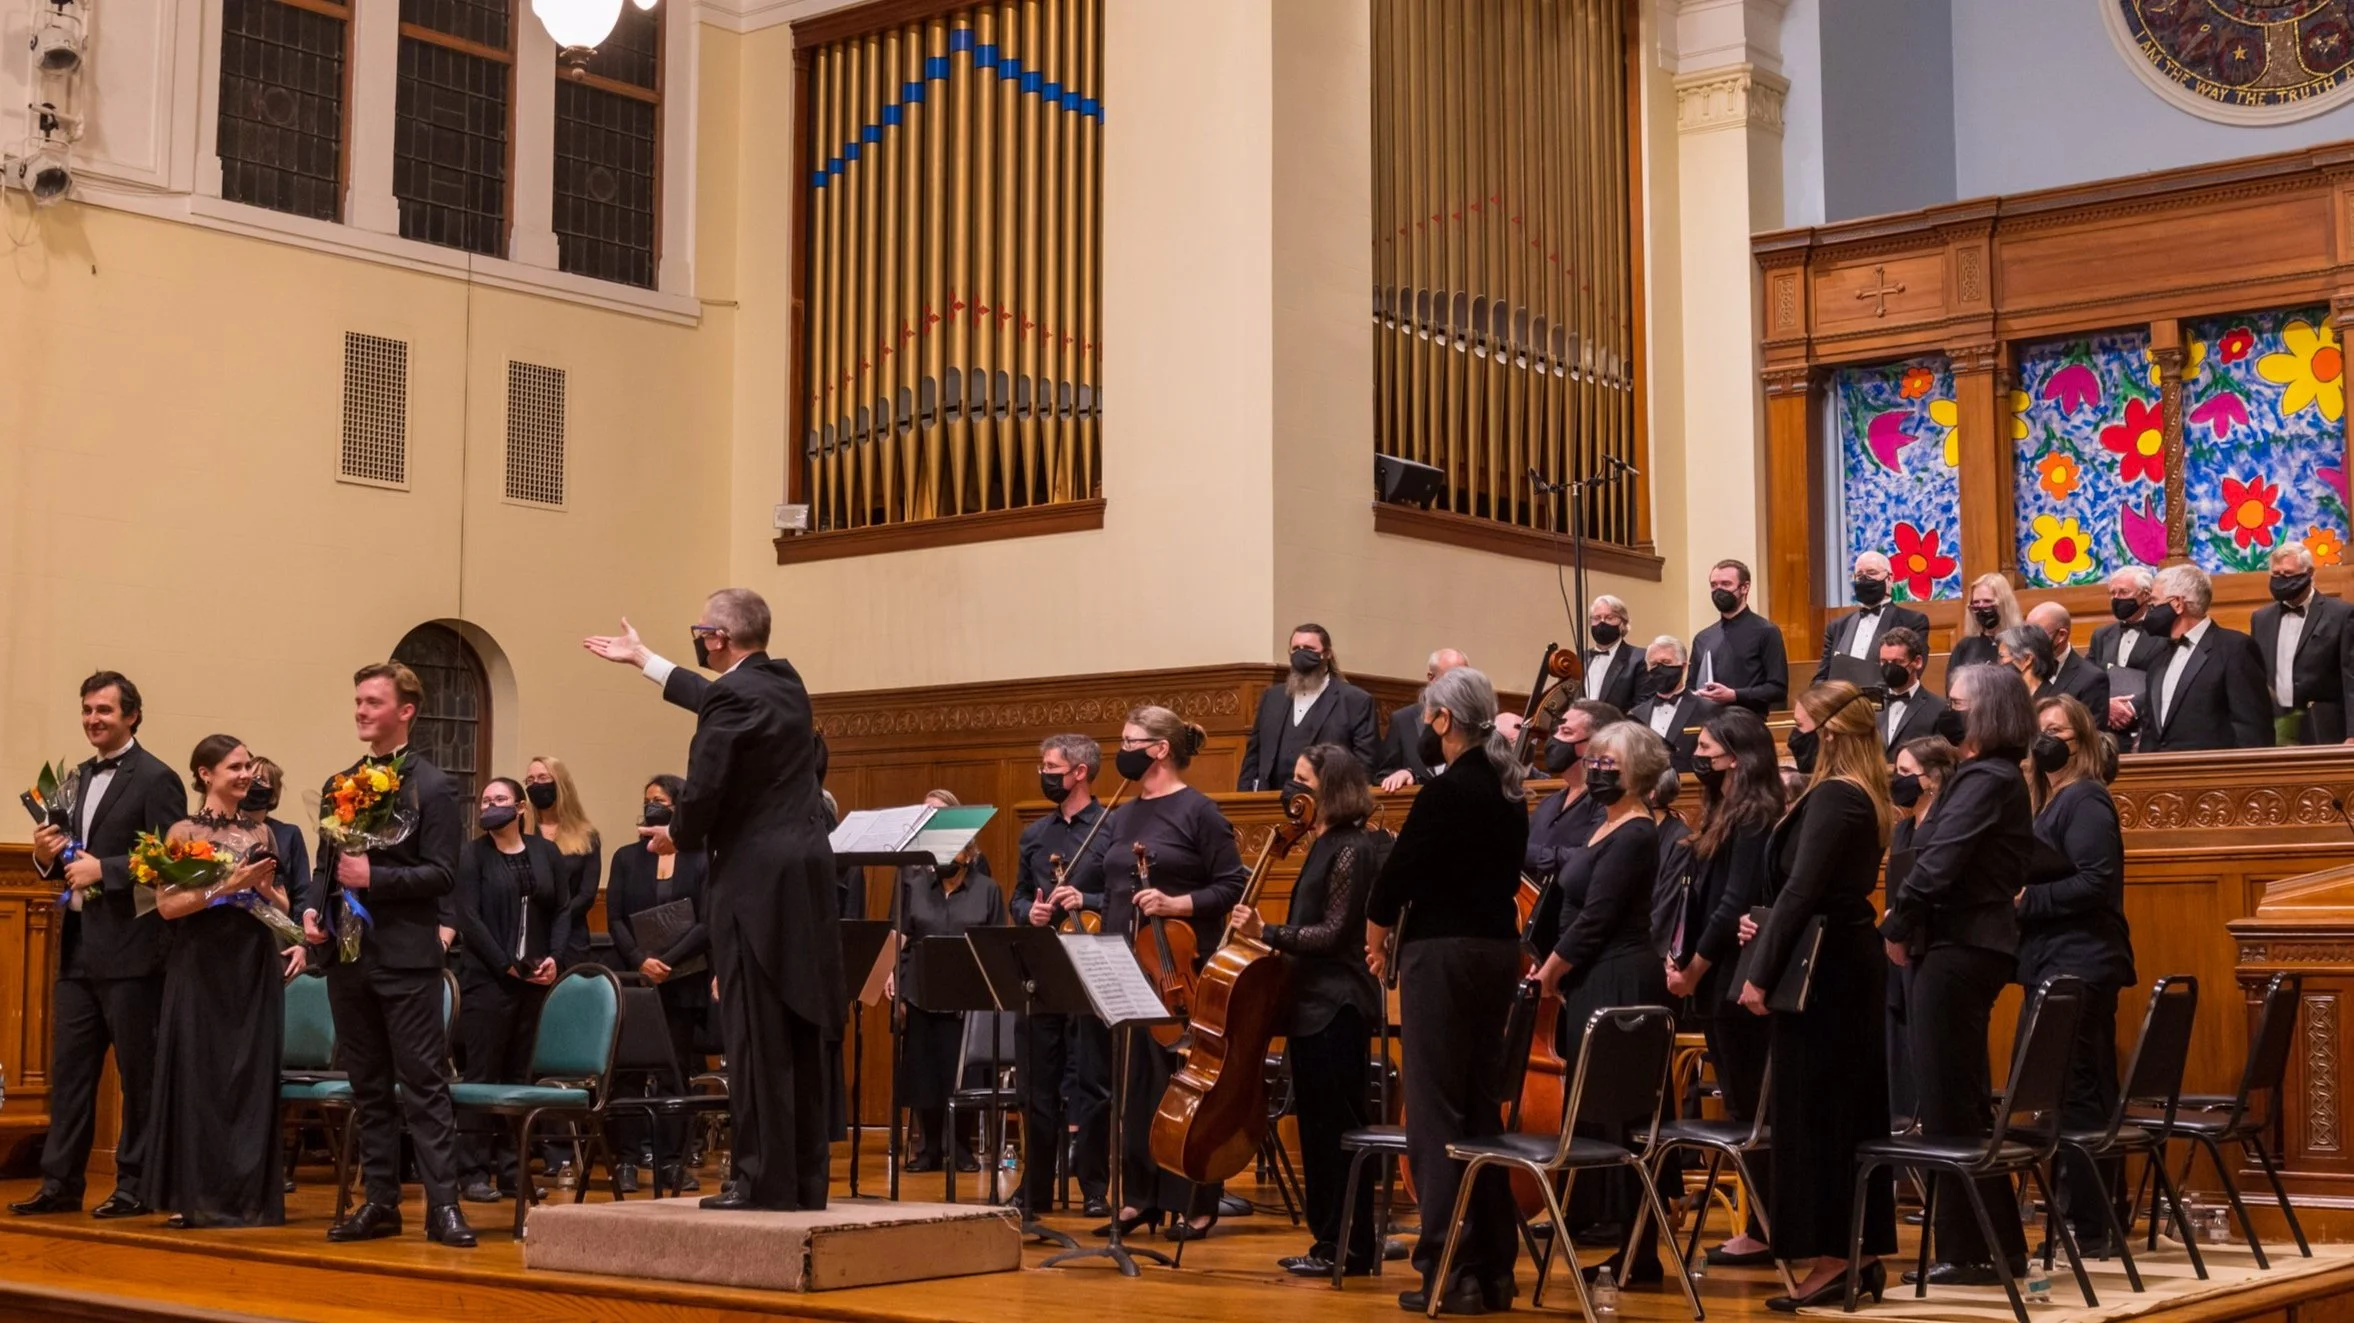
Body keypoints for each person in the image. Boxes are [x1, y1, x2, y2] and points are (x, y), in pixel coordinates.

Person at [582, 593, 844, 1212]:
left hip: (754, 882)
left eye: (701, 631)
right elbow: (720, 698)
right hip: (803, 881)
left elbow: (702, 793)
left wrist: (681, 832)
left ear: (718, 638)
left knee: (752, 1034)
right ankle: (804, 1182)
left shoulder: (736, 698)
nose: (698, 639)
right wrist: (646, 660)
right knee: (798, 1029)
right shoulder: (785, 684)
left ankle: (759, 1182)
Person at [1364, 666, 1527, 1316]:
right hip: (1497, 953)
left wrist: (1376, 937)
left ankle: (1446, 1267)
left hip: (1443, 955)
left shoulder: (1445, 791)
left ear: (1443, 720)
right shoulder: (1509, 789)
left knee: (1433, 1114)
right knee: (1480, 1109)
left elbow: (1397, 877)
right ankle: (1493, 1267)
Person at [1738, 682, 1898, 1310]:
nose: (1792, 734)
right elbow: (1805, 894)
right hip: (1840, 957)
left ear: (1830, 732)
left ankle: (1837, 1256)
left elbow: (1803, 892)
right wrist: (1766, 921)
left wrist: (1758, 970)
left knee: (1823, 1112)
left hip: (1825, 972)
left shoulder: (1835, 796)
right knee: (1842, 1108)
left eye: (1799, 723)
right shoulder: (1859, 794)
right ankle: (1857, 1250)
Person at [1878, 664, 2036, 1285]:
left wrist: (1896, 926)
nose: (1950, 713)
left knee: (1948, 1102)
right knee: (1957, 1099)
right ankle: (1994, 1247)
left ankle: (1971, 1251)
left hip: (1960, 945)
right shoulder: (1986, 778)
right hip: (1962, 944)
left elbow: (1940, 863)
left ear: (1988, 714)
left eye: (1959, 704)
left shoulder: (1985, 779)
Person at [13, 673, 184, 1221]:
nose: (93, 719)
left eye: (104, 711)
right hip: (78, 948)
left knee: (138, 1076)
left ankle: (135, 1184)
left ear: (131, 716)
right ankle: (60, 1183)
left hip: (135, 952)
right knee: (71, 1074)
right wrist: (46, 855)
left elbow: (169, 864)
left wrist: (105, 869)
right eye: (87, 710)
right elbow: (64, 862)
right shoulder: (76, 777)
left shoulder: (157, 778)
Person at [315, 662, 474, 1247]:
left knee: (424, 1084)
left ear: (405, 711)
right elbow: (323, 868)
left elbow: (443, 874)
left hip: (405, 956)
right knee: (368, 1086)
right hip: (349, 958)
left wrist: (373, 876)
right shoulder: (339, 784)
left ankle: (444, 1206)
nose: (360, 710)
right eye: (357, 700)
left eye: (373, 702)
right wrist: (313, 911)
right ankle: (379, 1202)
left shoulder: (433, 785)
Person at [1230, 744, 1385, 1279]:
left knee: (1337, 1131)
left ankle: (1351, 1247)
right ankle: (1329, 1242)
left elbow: (1334, 933)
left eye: (1302, 781)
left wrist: (1265, 932)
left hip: (1337, 1007)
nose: (1292, 791)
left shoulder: (1351, 849)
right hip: (1311, 1007)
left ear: (1330, 788)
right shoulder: (1321, 844)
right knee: (1319, 1132)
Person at [1097, 705, 1249, 1239]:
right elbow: (1116, 884)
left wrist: (1176, 903)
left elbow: (1233, 886)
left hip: (1177, 967)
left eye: (1129, 740)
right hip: (1126, 962)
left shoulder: (1199, 812)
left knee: (1180, 1082)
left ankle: (1195, 1199)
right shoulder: (1123, 813)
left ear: (1159, 749)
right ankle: (1140, 1197)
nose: (1122, 749)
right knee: (1134, 1083)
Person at [1531, 721, 1674, 1284]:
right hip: (1593, 980)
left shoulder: (1637, 832)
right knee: (1603, 1118)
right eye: (1593, 761)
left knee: (1626, 1121)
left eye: (1609, 763)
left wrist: (1548, 972)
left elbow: (1597, 919)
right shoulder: (1603, 824)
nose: (1596, 770)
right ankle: (1627, 1248)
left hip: (1620, 981)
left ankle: (1641, 1253)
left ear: (1637, 771)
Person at [143, 736, 303, 1228]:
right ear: (205, 774)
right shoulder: (181, 831)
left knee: (248, 1079)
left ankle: (247, 1196)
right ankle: (198, 1195)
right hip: (200, 964)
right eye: (235, 767)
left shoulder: (263, 834)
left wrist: (264, 893)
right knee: (202, 1076)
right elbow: (168, 907)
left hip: (252, 964)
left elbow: (282, 908)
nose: (246, 775)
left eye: (249, 767)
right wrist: (222, 889)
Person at [1664, 708, 1784, 1267]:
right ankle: (1763, 1223)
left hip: (1736, 977)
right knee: (1741, 1102)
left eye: (1708, 750)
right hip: (1721, 977)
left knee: (1751, 1107)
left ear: (1736, 756)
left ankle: (1766, 1227)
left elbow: (1734, 903)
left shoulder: (1755, 815)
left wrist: (1695, 968)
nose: (1700, 759)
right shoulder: (1725, 809)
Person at [2023, 694, 2134, 1251]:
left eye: (2058, 731)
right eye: (2039, 730)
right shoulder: (2050, 800)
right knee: (2072, 1091)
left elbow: (2094, 882)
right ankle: (2092, 1215)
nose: (2046, 740)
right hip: (2058, 961)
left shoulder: (2086, 798)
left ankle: (2094, 1225)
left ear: (2082, 740)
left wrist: (2025, 900)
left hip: (2081, 964)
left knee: (2082, 1092)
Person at [1012, 735, 1113, 1220]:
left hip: (1092, 965)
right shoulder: (1034, 835)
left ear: (1080, 773)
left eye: (1051, 766)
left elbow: (1126, 896)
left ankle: (1094, 1186)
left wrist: (1086, 901)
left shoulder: (1109, 830)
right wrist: (1027, 912)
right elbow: (1015, 897)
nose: (1044, 772)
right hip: (1044, 968)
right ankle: (1035, 1189)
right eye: (1042, 764)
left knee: (1093, 1081)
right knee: (1038, 1084)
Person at [449, 777, 561, 1205]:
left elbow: (562, 908)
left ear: (520, 808)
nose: (490, 806)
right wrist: (506, 965)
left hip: (535, 979)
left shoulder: (545, 852)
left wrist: (553, 957)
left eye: (499, 799)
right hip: (488, 980)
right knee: (483, 1075)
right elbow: (469, 919)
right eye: (485, 800)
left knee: (518, 1076)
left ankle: (514, 1171)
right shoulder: (471, 856)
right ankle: (473, 1171)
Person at [605, 774, 712, 1195]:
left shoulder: (700, 858)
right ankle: (627, 1161)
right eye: (648, 800)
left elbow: (708, 920)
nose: (652, 806)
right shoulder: (626, 857)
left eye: (662, 801)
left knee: (674, 1072)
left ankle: (671, 1162)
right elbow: (614, 918)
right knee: (629, 1072)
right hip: (637, 980)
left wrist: (666, 960)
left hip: (682, 979)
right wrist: (640, 961)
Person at [891, 790, 1006, 1174]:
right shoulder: (914, 886)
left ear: (967, 854)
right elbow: (901, 935)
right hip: (921, 989)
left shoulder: (987, 890)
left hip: (967, 997)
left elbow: (995, 944)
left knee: (963, 1072)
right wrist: (894, 977)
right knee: (924, 1071)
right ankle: (928, 1149)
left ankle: (961, 1148)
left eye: (950, 852)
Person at [1883, 735, 1957, 1128]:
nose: (1898, 780)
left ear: (1931, 779)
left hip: (1931, 944)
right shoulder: (1902, 828)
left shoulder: (1946, 825)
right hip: (1901, 948)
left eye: (1906, 773)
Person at [2128, 563, 2271, 751]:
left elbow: (2252, 729)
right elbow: (2150, 730)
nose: (2149, 611)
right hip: (2161, 774)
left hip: (2214, 774)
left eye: (2153, 603)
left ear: (2177, 604)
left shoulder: (2235, 648)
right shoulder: (2159, 657)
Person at [1238, 623, 1379, 790]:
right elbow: (1253, 755)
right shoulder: (1272, 697)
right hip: (1271, 800)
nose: (1301, 653)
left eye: (1309, 648)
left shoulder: (1355, 700)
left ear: (1326, 653)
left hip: (1326, 802)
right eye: (1296, 648)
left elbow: (1366, 764)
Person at [2252, 542, 2354, 745]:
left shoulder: (2340, 615)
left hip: (2324, 727)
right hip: (2276, 728)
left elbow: (2351, 678)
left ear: (2309, 573)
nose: (2281, 580)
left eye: (2288, 574)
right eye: (2276, 574)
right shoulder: (2261, 618)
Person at [526, 756, 603, 970]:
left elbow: (587, 895)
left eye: (543, 777)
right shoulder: (522, 832)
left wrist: (558, 918)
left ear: (560, 783)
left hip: (571, 936)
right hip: (529, 935)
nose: (536, 785)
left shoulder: (587, 835)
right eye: (530, 780)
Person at [244, 756, 319, 965]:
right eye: (249, 780)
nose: (253, 785)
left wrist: (301, 941)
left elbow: (302, 890)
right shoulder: (222, 830)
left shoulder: (287, 834)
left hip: (278, 931)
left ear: (273, 792)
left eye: (261, 781)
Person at [1814, 551, 1931, 684]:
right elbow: (1822, 676)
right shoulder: (1836, 627)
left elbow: (1911, 673)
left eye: (1872, 573)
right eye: (1859, 575)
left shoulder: (1913, 621)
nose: (1865, 579)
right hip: (1842, 700)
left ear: (1889, 579)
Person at [1693, 558, 1789, 718]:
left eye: (1726, 584)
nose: (1718, 590)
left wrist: (1734, 695)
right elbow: (1692, 685)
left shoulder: (1767, 631)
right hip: (1710, 722)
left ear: (1744, 587)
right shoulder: (1702, 638)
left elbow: (1777, 689)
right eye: (1714, 585)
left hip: (1749, 722)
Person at [1378, 649, 1469, 791]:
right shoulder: (1403, 719)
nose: (1459, 686)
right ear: (1431, 678)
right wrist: (1405, 774)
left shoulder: (1471, 722)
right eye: (1451, 678)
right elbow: (1382, 775)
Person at [1629, 636, 1723, 772]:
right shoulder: (1636, 714)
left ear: (1683, 666)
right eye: (1654, 664)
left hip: (1691, 787)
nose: (1659, 668)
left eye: (1666, 662)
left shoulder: (1709, 710)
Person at [2092, 567, 2163, 735]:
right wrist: (2106, 705)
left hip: (2148, 725)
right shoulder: (2101, 635)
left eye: (2123, 592)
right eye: (2113, 593)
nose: (2116, 599)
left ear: (2146, 595)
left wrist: (2131, 708)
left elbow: (2166, 679)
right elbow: (2090, 679)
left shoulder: (2164, 632)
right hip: (2107, 728)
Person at [1877, 628, 1954, 759]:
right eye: (1884, 662)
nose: (1889, 668)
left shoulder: (1939, 708)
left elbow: (1941, 761)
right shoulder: (1869, 704)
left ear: (1917, 662)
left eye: (1898, 662)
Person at [2028, 603, 2109, 725]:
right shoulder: (2021, 669)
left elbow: (2091, 736)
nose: (2027, 640)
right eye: (2026, 631)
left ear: (2061, 635)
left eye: (2036, 634)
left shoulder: (2091, 679)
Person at [1948, 572, 2022, 681]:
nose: (1981, 607)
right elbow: (1951, 684)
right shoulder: (1965, 646)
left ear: (2003, 603)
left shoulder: (2021, 643)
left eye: (1987, 601)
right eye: (1976, 602)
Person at [1584, 595, 1646, 712]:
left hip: (1618, 728)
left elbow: (1641, 708)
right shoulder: (1579, 658)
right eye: (1596, 618)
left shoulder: (1639, 659)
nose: (1602, 623)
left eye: (1609, 618)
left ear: (1623, 623)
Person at [1996, 623, 2057, 698]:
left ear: (2027, 659)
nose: (1999, 663)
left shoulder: (2052, 702)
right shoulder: (2005, 696)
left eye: (2002, 656)